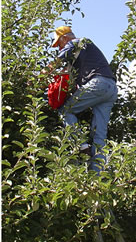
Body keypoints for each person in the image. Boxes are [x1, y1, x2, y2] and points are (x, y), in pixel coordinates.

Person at [44, 26, 118, 173]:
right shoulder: (84, 49)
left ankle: (83, 147)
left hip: (97, 84)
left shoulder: (75, 43)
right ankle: (96, 176)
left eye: (59, 44)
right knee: (99, 135)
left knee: (66, 111)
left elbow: (58, 62)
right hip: (111, 88)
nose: (59, 48)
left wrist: (40, 76)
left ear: (65, 38)